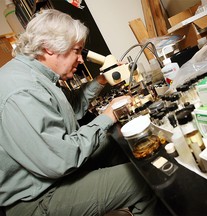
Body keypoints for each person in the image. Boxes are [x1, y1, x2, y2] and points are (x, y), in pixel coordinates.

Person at [0, 9, 169, 216]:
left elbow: (72, 108)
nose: (81, 59)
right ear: (50, 48)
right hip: (36, 198)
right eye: (77, 50)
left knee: (117, 144)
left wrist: (101, 80)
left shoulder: (35, 75)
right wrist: (108, 116)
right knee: (143, 180)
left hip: (50, 176)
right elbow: (61, 159)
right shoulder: (23, 91)